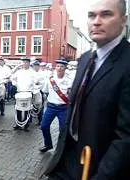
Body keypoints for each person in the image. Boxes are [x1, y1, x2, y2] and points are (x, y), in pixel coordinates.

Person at [43, 0, 130, 179]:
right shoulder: (84, 60)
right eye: (91, 15)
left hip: (98, 167)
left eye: (106, 14)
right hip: (66, 162)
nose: (96, 21)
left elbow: (126, 137)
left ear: (123, 20)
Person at [39, 60, 72, 153]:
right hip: (51, 107)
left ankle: (61, 148)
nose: (59, 68)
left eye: (62, 66)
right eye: (58, 66)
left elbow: (71, 94)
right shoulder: (50, 80)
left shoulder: (69, 81)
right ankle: (48, 144)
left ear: (65, 68)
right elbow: (45, 90)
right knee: (44, 126)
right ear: (55, 67)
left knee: (63, 130)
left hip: (63, 108)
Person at [11, 57, 40, 131]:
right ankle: (18, 124)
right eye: (24, 62)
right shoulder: (19, 72)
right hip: (20, 92)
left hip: (28, 92)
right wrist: (14, 83)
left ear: (29, 63)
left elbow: (36, 81)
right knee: (18, 109)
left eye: (27, 62)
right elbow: (12, 77)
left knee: (28, 109)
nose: (25, 64)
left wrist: (34, 85)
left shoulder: (32, 72)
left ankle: (26, 125)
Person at [32, 60, 45, 125]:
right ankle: (30, 120)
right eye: (34, 66)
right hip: (32, 91)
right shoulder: (31, 73)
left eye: (37, 66)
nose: (36, 67)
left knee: (40, 106)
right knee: (31, 106)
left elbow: (43, 83)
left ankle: (40, 120)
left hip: (40, 91)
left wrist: (38, 84)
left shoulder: (41, 74)